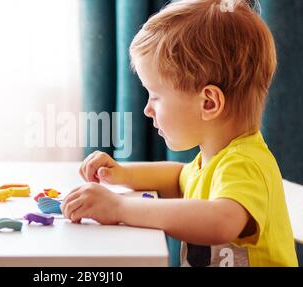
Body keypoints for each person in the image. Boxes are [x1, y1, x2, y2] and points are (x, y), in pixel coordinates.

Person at [61, 0, 298, 267]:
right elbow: (178, 177)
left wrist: (120, 208)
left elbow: (221, 221)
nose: (147, 109)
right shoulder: (213, 161)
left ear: (208, 103)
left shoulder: (245, 164)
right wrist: (122, 173)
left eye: (156, 96)